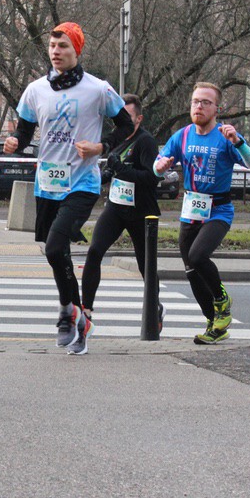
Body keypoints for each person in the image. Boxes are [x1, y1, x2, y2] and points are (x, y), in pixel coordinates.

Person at [4, 21, 133, 355]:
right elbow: (24, 132)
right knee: (57, 252)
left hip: (82, 183)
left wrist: (101, 147)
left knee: (54, 247)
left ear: (77, 49)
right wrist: (14, 142)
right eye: (52, 46)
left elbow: (126, 126)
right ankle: (80, 321)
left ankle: (66, 311)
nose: (55, 52)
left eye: (62, 46)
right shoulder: (36, 90)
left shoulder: (98, 89)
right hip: (48, 184)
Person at [154, 81, 250, 345]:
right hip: (191, 210)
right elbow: (157, 166)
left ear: (216, 109)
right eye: (195, 101)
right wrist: (161, 166)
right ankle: (214, 324)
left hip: (218, 210)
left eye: (205, 102)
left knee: (198, 255)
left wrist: (239, 142)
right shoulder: (183, 135)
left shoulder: (225, 136)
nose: (198, 106)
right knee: (192, 270)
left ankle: (222, 300)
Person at [81, 94, 164, 329]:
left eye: (128, 116)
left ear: (139, 118)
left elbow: (151, 179)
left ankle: (155, 307)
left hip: (141, 212)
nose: (123, 120)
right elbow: (114, 170)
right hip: (116, 209)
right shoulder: (117, 138)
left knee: (145, 265)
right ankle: (86, 310)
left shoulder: (145, 142)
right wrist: (105, 176)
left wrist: (120, 168)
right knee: (95, 251)